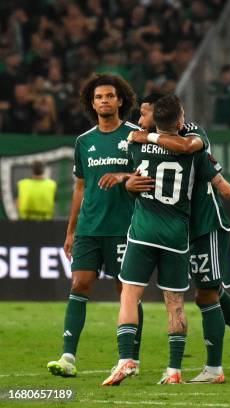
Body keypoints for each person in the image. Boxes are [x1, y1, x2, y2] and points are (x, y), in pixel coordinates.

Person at [127, 93, 230, 383]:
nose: (140, 122)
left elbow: (223, 186)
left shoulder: (192, 135)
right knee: (212, 290)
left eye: (144, 115)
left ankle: (214, 369)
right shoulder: (153, 143)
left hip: (207, 226)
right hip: (184, 229)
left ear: (160, 116)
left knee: (207, 294)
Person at [102, 95, 218, 385]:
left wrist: (125, 178)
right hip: (177, 234)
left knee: (130, 294)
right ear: (179, 120)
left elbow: (138, 169)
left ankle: (126, 359)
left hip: (143, 230)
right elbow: (185, 147)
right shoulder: (194, 144)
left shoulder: (137, 144)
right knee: (175, 303)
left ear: (154, 119)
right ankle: (174, 370)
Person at [47, 74, 141, 378]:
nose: (104, 101)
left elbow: (147, 177)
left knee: (125, 291)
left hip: (123, 226)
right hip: (89, 227)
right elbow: (80, 188)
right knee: (79, 284)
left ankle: (130, 359)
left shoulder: (135, 136)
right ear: (91, 102)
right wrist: (71, 230)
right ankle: (68, 357)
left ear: (121, 100)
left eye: (110, 96)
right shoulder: (83, 141)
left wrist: (123, 176)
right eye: (99, 97)